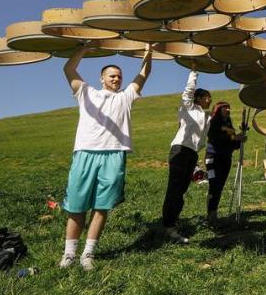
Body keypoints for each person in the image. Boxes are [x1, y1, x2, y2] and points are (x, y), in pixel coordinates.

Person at [59, 42, 153, 271]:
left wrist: (148, 54)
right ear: (102, 78)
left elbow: (144, 73)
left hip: (114, 154)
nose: (116, 79)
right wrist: (83, 49)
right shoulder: (86, 92)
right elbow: (68, 70)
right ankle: (69, 254)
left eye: (119, 76)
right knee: (76, 206)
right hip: (86, 152)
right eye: (112, 76)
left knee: (102, 207)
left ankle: (88, 254)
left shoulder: (127, 96)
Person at [160, 70, 212, 244]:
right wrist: (194, 71)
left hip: (191, 153)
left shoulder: (205, 116)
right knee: (174, 188)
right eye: (206, 97)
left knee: (181, 190)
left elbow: (203, 139)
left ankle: (172, 223)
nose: (209, 100)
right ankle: (168, 226)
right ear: (198, 99)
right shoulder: (188, 107)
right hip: (180, 150)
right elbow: (188, 91)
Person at [205, 100, 242, 224]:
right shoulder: (213, 123)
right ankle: (211, 214)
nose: (228, 110)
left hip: (226, 159)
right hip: (213, 158)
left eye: (229, 108)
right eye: (225, 108)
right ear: (218, 110)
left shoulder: (229, 124)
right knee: (214, 185)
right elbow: (216, 138)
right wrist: (233, 138)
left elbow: (232, 144)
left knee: (219, 186)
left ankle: (213, 213)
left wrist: (239, 141)